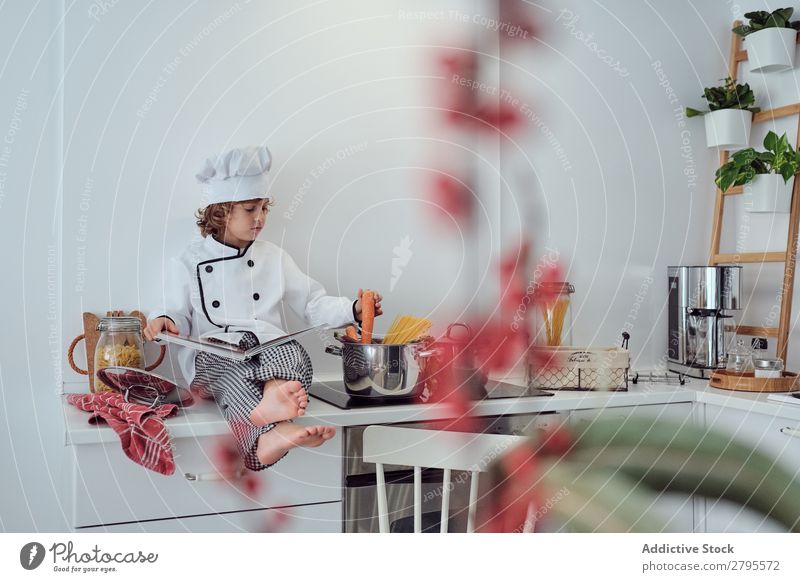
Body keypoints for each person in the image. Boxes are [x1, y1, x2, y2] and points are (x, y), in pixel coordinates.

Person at [144, 145, 383, 470]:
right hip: (212, 357)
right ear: (222, 212)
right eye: (249, 209)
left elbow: (313, 303)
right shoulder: (189, 261)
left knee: (288, 353)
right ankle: (276, 394)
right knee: (234, 369)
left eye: (264, 209)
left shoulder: (274, 257)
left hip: (268, 355)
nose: (260, 219)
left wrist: (352, 310)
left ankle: (273, 433)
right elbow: (174, 311)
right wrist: (163, 320)